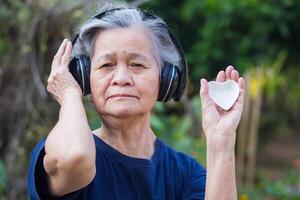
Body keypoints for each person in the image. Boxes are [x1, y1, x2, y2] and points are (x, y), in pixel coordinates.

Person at [27, 5, 245, 200]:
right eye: (106, 65)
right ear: (84, 79)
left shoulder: (185, 174)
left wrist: (221, 141)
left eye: (137, 65)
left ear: (166, 79)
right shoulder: (60, 148)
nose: (121, 78)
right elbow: (75, 159)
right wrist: (69, 93)